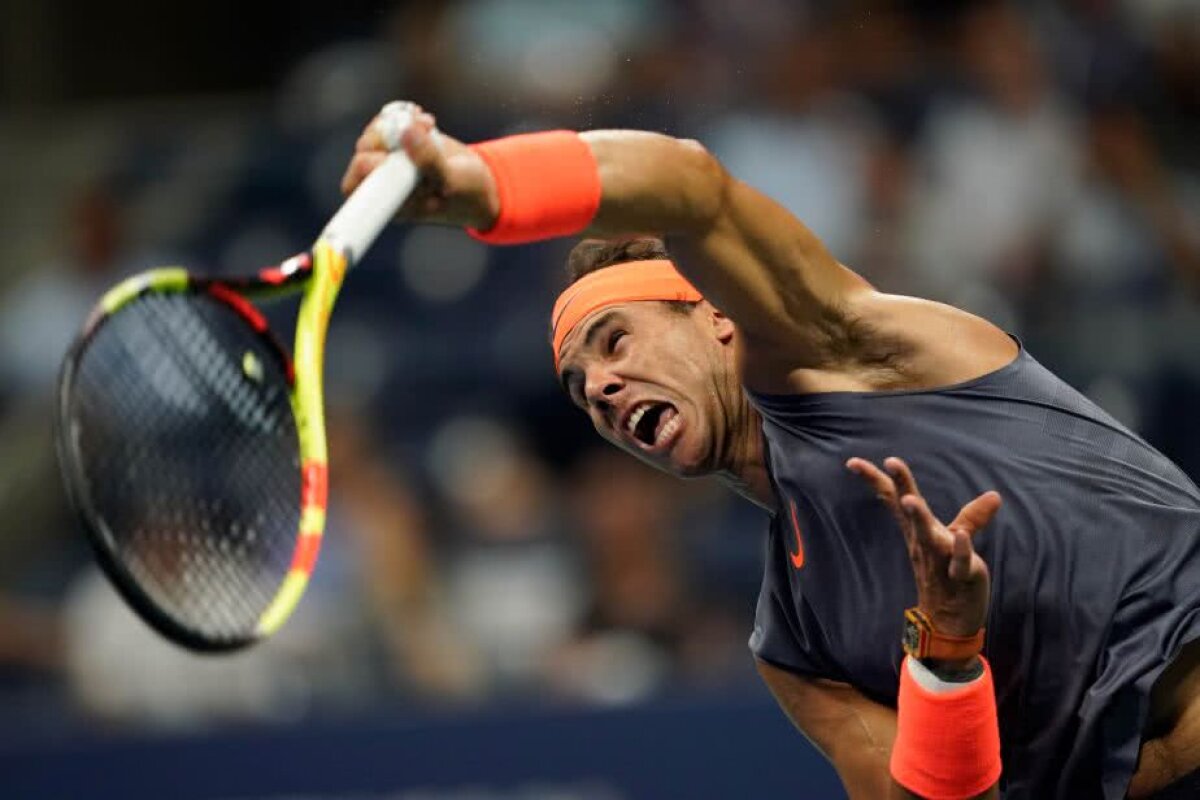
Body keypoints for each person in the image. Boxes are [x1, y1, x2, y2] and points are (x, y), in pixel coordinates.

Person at [340, 103, 1200, 799]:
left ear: (714, 313)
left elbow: (690, 185)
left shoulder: (856, 353)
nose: (598, 389)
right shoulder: (792, 645)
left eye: (614, 340)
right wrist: (946, 652)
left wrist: (486, 184)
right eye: (577, 385)